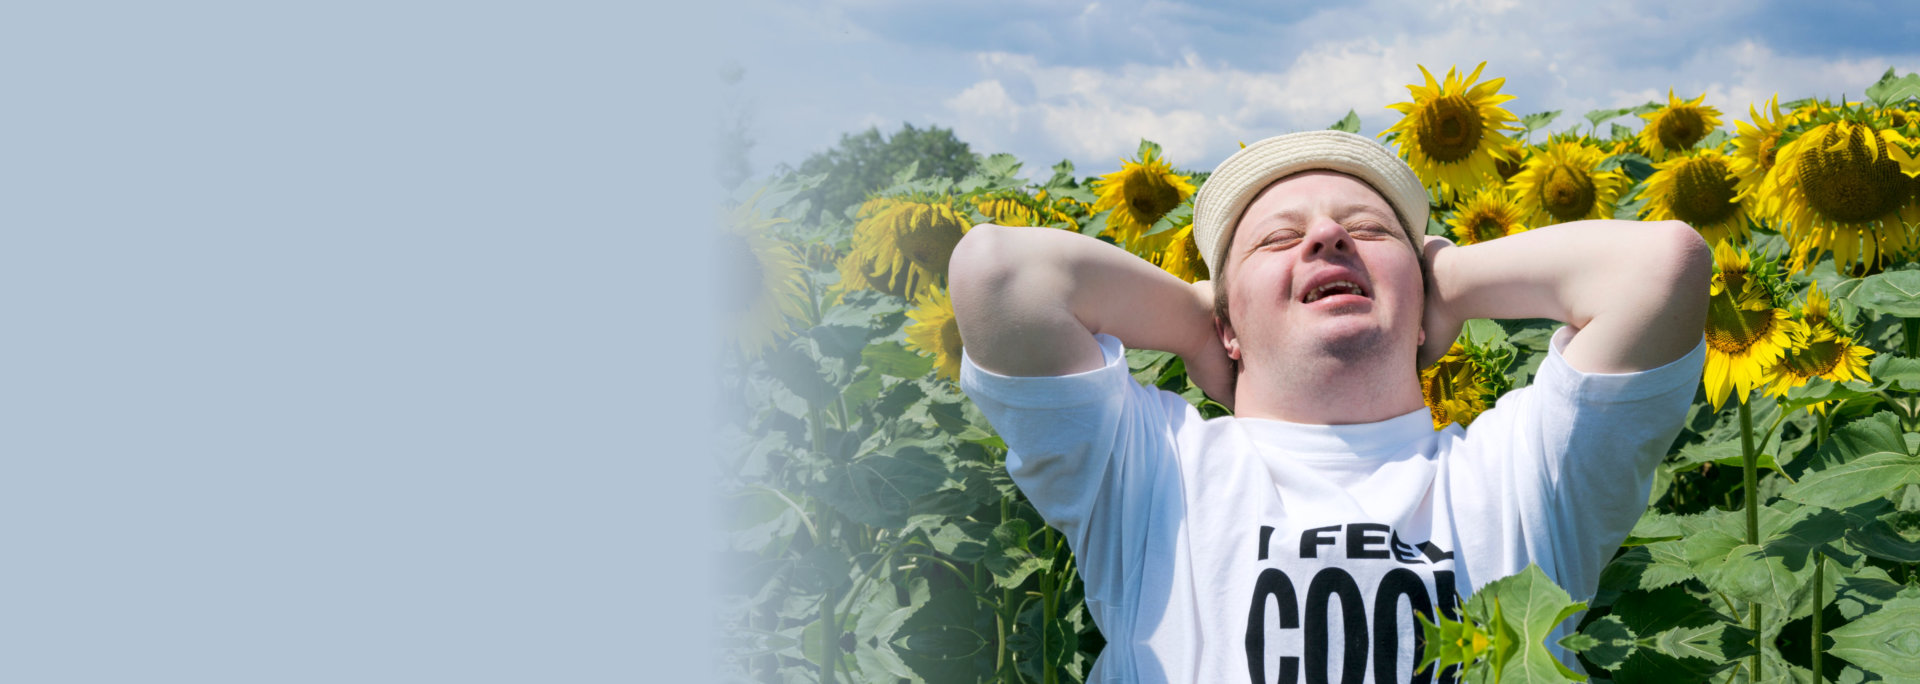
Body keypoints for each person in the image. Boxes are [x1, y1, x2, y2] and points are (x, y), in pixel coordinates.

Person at [947, 130, 1708, 683]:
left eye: (1370, 231)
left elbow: (1664, 267)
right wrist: (1197, 322)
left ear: (1425, 305)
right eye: (1277, 240)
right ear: (1226, 319)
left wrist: (1458, 278)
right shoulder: (1154, 472)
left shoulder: (1521, 475)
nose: (1327, 235)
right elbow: (1000, 275)